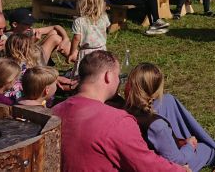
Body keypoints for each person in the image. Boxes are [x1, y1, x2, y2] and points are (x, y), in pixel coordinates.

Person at [53, 51, 188, 171]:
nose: (119, 81)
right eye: (118, 76)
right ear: (108, 76)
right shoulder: (116, 121)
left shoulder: (55, 111)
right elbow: (146, 165)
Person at [125, 63, 215, 171]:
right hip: (169, 165)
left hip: (157, 147)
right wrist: (189, 145)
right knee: (207, 149)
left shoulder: (124, 108)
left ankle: (201, 141)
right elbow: (177, 161)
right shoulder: (157, 126)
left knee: (168, 100)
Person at [68, 0, 110, 75]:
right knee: (100, 71)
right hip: (101, 50)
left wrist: (72, 53)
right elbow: (107, 27)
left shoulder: (79, 21)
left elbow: (76, 38)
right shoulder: (104, 17)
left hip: (86, 52)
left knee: (83, 73)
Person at [7, 8, 72, 63]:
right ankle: (76, 61)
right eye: (27, 24)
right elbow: (19, 55)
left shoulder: (26, 31)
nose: (30, 27)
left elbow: (56, 27)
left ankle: (75, 60)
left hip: (34, 57)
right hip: (29, 64)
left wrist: (66, 38)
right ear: (15, 25)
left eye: (31, 24)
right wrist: (32, 42)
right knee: (55, 38)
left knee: (54, 32)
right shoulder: (9, 37)